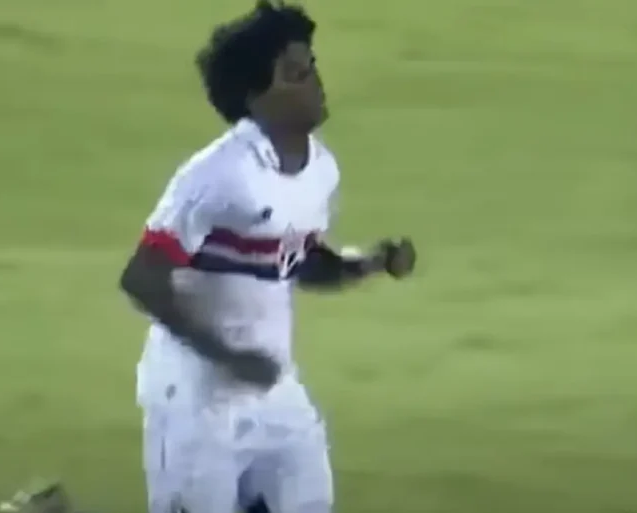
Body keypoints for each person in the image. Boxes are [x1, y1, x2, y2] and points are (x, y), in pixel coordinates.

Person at [118, 1, 417, 512]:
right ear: (255, 98)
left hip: (275, 392)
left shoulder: (321, 171)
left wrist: (371, 262)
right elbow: (142, 278)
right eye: (296, 75)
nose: (315, 83)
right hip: (195, 401)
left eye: (312, 67)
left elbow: (297, 264)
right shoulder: (218, 176)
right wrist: (228, 357)